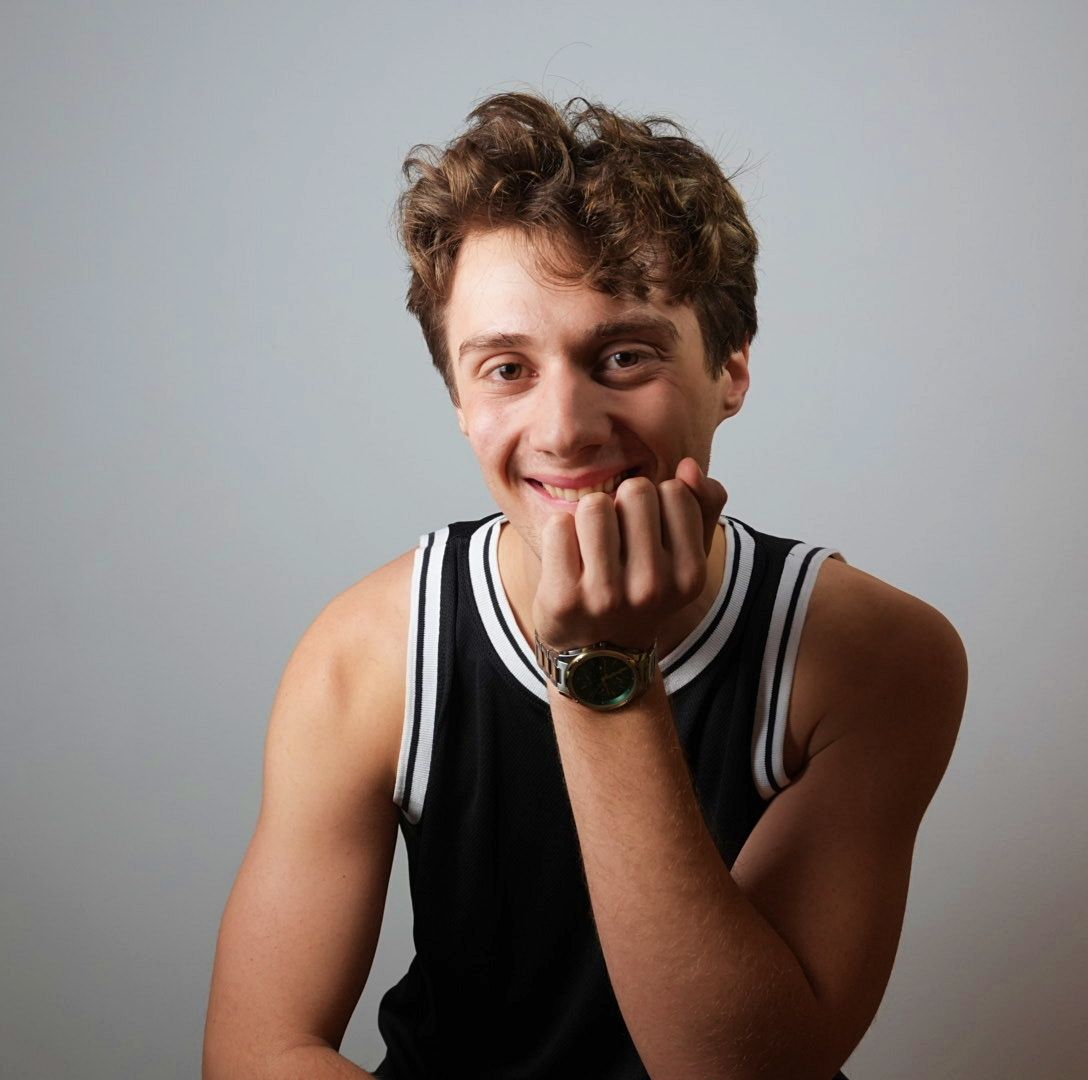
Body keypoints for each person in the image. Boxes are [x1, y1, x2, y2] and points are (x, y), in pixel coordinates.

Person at [202, 93, 968, 1080]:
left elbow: (742, 1070)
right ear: (456, 394)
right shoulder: (370, 657)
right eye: (505, 369)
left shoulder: (876, 659)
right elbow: (257, 1052)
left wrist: (599, 664)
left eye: (622, 356)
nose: (564, 429)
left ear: (730, 369)